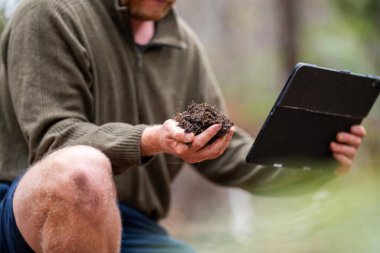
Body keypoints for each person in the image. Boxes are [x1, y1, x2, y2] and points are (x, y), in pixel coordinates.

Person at [0, 0, 366, 252]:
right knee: (82, 170)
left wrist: (312, 165)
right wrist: (151, 139)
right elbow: (56, 140)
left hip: (133, 228)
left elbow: (226, 152)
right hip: (27, 216)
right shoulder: (51, 13)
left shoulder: (182, 44)